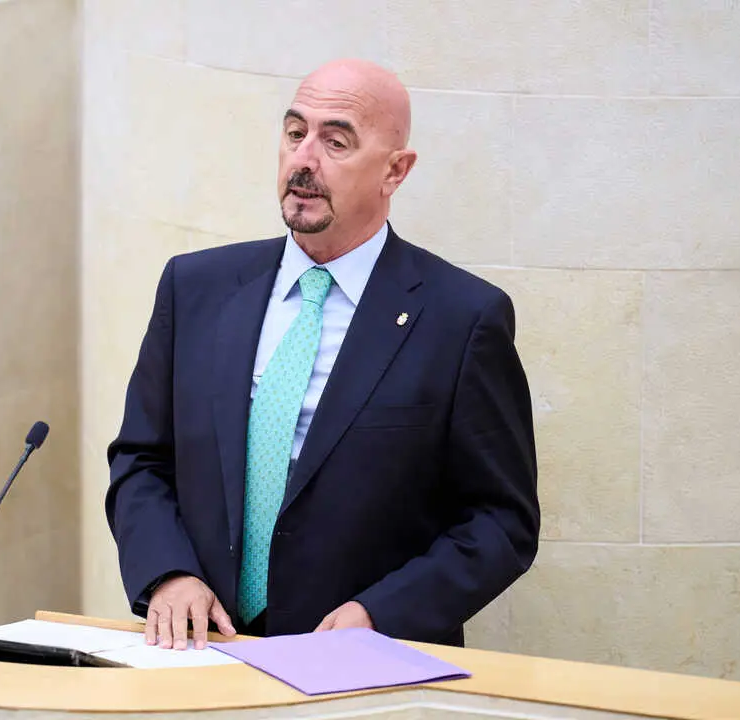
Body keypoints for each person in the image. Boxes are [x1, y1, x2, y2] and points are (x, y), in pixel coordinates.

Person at [106, 58, 539, 651]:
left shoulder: (462, 319)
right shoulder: (195, 288)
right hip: (204, 650)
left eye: (336, 142)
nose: (303, 159)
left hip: (364, 666)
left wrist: (381, 615)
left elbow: (500, 521)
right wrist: (168, 573)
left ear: (395, 171)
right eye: (294, 133)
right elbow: (142, 458)